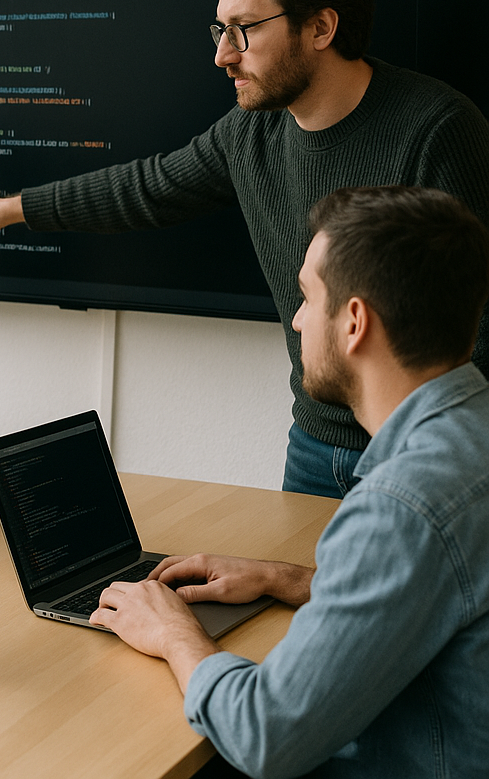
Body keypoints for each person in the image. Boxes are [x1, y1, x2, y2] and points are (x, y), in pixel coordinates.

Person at [0, 0, 489, 499]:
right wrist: (8, 210)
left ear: (320, 26)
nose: (222, 55)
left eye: (243, 30)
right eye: (221, 29)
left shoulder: (436, 129)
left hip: (419, 451)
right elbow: (149, 187)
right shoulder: (250, 133)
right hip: (314, 446)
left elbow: (480, 326)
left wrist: (440, 458)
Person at [88, 186, 489, 778]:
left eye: (305, 297)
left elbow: (267, 735)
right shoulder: (469, 438)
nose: (296, 319)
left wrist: (173, 632)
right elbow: (444, 585)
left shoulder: (401, 505)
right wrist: (290, 579)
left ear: (355, 322)